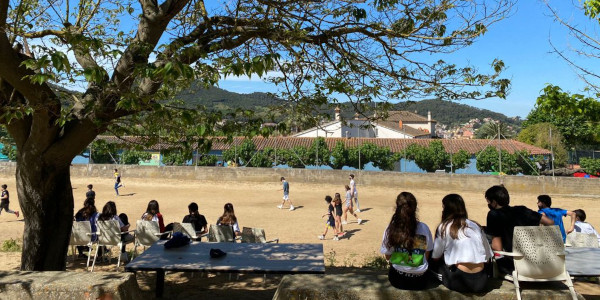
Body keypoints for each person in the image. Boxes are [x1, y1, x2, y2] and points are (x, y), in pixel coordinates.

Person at [485, 185, 553, 275]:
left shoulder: (494, 215)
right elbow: (550, 222)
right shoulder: (522, 210)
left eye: (488, 201)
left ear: (494, 202)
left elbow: (497, 247)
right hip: (540, 262)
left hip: (517, 265)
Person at [431, 194, 492, 293]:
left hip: (459, 280)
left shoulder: (443, 226)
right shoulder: (476, 226)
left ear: (446, 210)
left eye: (443, 208)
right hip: (482, 281)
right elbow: (488, 258)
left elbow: (435, 257)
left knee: (430, 265)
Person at [380, 192, 433, 290]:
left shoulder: (391, 229)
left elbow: (388, 256)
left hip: (398, 279)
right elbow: (427, 254)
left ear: (397, 207)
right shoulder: (424, 228)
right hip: (420, 280)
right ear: (415, 208)